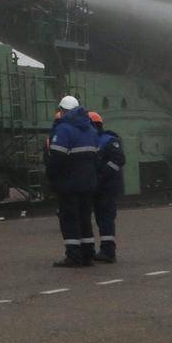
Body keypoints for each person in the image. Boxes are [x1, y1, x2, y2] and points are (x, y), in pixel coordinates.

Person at [45, 95, 99, 267]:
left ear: (63, 111)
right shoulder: (90, 129)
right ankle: (88, 254)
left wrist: (52, 176)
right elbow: (96, 157)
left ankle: (73, 255)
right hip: (88, 183)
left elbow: (56, 158)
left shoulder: (64, 130)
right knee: (85, 218)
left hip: (69, 183)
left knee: (69, 219)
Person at [88, 111, 125, 263]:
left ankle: (108, 251)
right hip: (98, 187)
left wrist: (102, 175)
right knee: (100, 218)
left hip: (107, 187)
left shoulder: (109, 140)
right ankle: (105, 249)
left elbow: (118, 159)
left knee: (106, 219)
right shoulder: (94, 140)